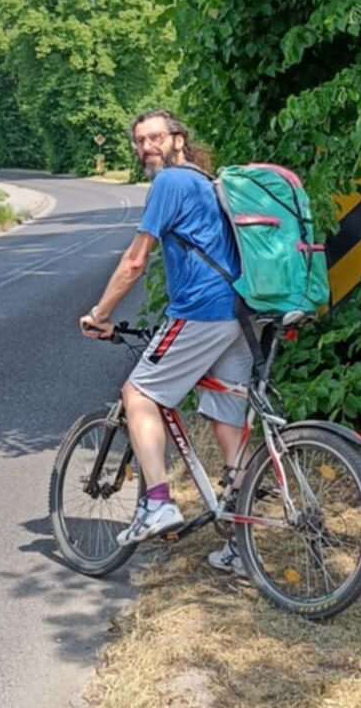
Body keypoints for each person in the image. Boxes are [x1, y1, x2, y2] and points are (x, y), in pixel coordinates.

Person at [79, 109, 248, 573]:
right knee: (227, 426)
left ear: (177, 140)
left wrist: (101, 314)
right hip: (238, 317)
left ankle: (157, 503)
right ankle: (241, 544)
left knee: (138, 393)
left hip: (201, 313)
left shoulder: (170, 184)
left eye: (155, 137)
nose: (146, 147)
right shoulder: (206, 182)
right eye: (139, 141)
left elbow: (135, 262)